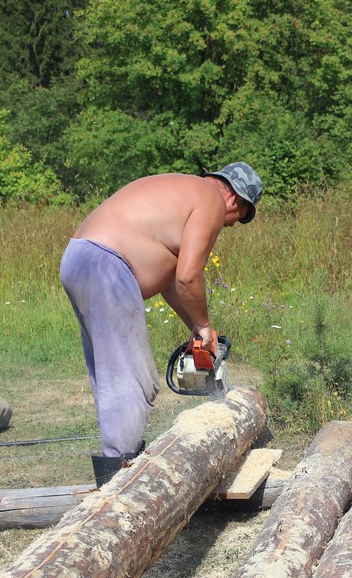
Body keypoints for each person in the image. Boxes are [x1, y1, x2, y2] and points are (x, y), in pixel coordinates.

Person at [60, 162, 264, 487]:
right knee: (134, 379)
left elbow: (171, 281)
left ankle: (118, 466)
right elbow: (188, 276)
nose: (229, 226)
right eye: (235, 221)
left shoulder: (181, 190)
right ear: (237, 203)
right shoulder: (210, 200)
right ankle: (120, 486)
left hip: (80, 258)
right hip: (108, 265)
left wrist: (196, 329)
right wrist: (206, 325)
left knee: (111, 376)